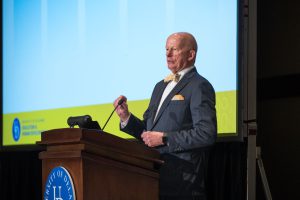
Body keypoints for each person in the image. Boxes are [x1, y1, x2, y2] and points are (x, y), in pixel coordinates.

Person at [113, 32, 217, 200]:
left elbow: (206, 133)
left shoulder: (199, 85)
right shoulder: (159, 87)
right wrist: (126, 117)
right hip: (153, 180)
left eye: (174, 49)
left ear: (191, 54)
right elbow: (148, 132)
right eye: (166, 49)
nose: (168, 54)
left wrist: (165, 139)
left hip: (184, 185)